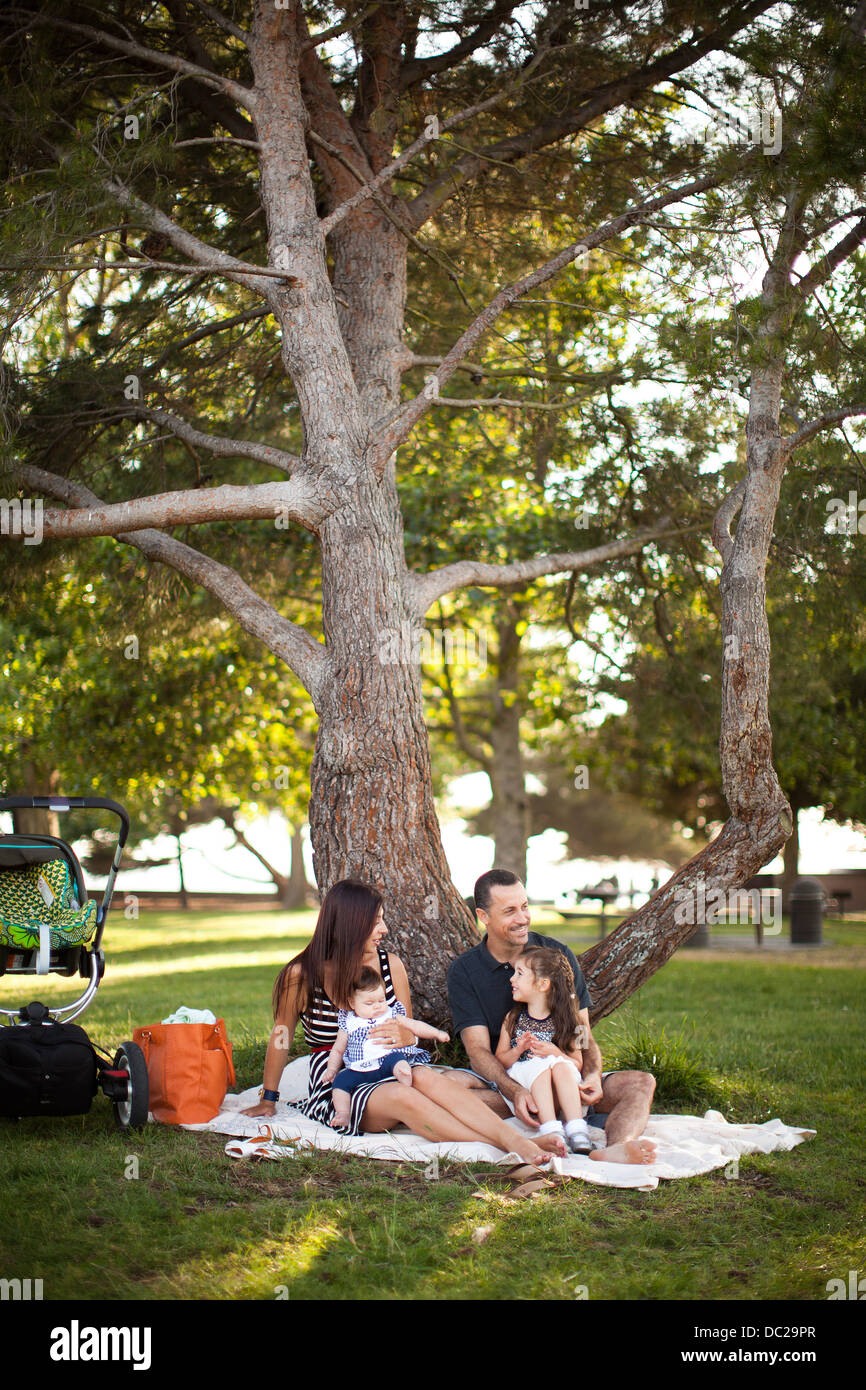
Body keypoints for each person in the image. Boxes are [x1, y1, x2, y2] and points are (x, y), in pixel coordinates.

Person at [241, 878, 561, 1166]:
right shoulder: (301, 975)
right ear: (350, 925)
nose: (385, 930)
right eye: (376, 922)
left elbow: (410, 1034)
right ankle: (516, 1145)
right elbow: (280, 1037)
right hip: (341, 1082)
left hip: (390, 1065)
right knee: (404, 1097)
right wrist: (268, 1098)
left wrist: (402, 1037)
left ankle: (515, 1141)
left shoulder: (389, 964)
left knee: (428, 1079)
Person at [447, 869, 657, 1165]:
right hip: (511, 1090)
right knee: (447, 1087)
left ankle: (617, 1147)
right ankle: (532, 1134)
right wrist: (517, 1091)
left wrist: (593, 1074)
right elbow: (478, 1051)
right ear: (484, 916)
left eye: (524, 906)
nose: (522, 918)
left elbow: (582, 1031)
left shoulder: (556, 955)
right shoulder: (465, 971)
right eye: (509, 911)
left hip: (567, 1078)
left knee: (641, 1083)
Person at [495, 945, 593, 1156]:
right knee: (540, 1068)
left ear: (542, 984)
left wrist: (555, 1052)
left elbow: (577, 1063)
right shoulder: (512, 1019)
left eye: (519, 974)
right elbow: (501, 1060)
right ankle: (551, 1129)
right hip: (524, 1075)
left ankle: (577, 1129)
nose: (512, 979)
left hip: (558, 1075)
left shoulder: (569, 1020)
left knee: (560, 1066)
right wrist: (519, 1048)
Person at [323, 965, 449, 1129]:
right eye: (369, 1003)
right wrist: (332, 1070)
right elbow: (338, 1049)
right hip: (359, 1069)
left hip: (386, 1063)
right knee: (340, 1082)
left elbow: (414, 1025)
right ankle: (343, 1113)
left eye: (381, 1000)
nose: (377, 1006)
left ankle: (404, 1078)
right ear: (352, 1003)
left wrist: (437, 1033)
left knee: (397, 1058)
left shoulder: (390, 1014)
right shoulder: (348, 1022)